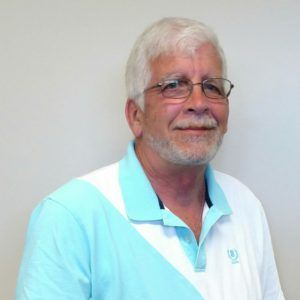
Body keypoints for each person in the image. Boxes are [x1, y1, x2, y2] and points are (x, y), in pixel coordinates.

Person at [16, 17, 284, 300]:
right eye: (174, 85)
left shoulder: (245, 206)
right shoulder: (71, 217)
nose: (199, 103)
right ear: (136, 115)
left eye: (212, 86)